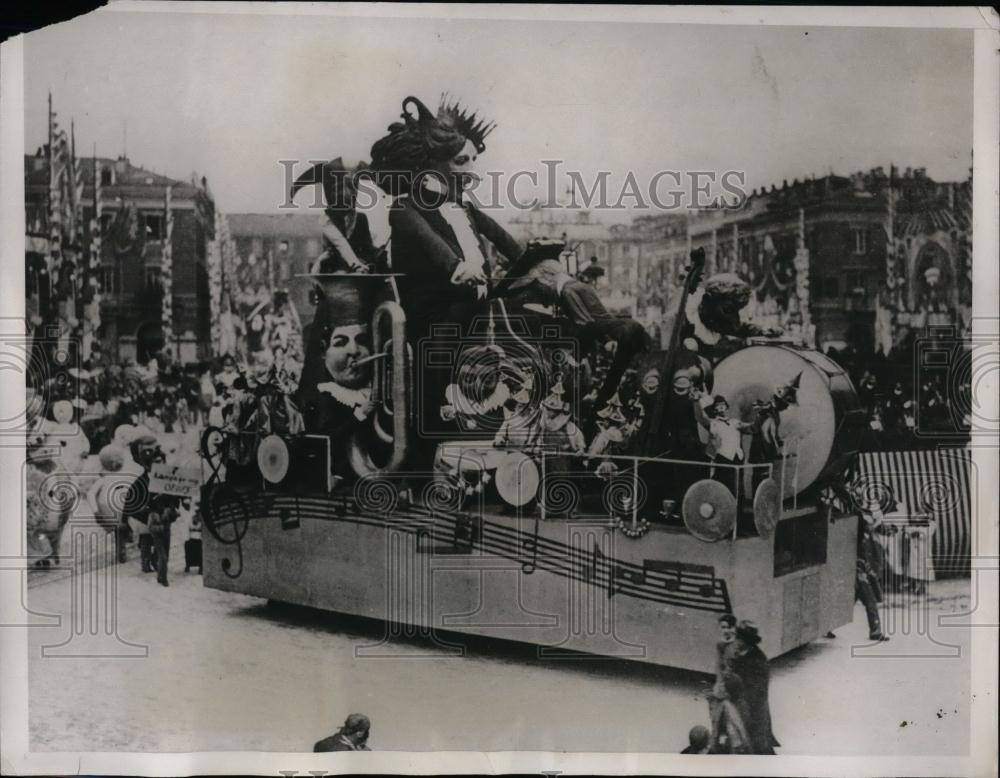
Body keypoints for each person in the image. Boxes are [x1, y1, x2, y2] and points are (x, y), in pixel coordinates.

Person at [729, 620, 780, 754]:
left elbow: (756, 693)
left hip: (754, 713)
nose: (734, 640)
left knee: (759, 750)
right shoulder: (738, 655)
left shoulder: (758, 661)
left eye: (738, 638)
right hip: (741, 709)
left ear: (746, 641)